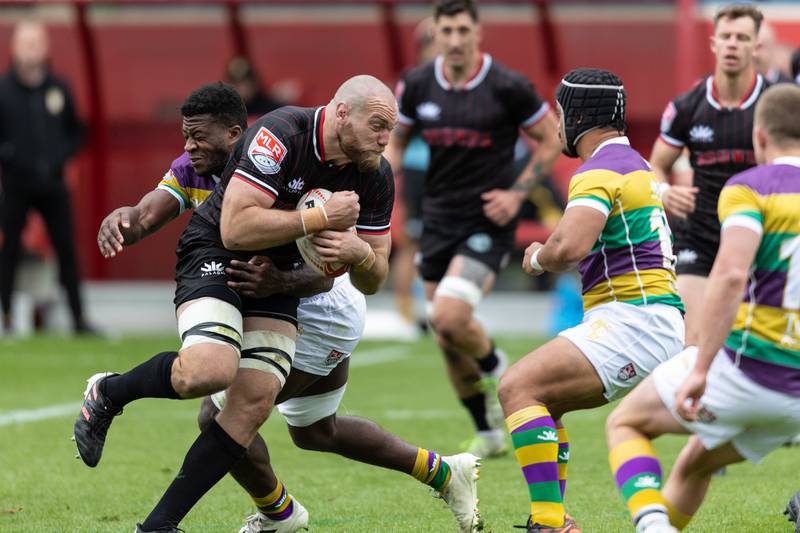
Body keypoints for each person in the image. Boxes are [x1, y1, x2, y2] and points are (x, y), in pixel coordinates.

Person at [73, 75, 456, 532]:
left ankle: (160, 525)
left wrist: (357, 255)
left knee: (254, 404)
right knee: (210, 374)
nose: (385, 139)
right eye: (377, 125)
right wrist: (130, 219)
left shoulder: (374, 174)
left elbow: (374, 275)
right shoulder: (279, 135)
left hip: (281, 279)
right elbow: (231, 230)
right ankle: (109, 391)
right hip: (218, 254)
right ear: (339, 113)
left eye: (390, 129)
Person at [605, 83, 800, 533]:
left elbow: (731, 275)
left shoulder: (749, 188)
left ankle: (651, 525)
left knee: (626, 424)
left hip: (750, 368)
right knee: (696, 462)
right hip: (794, 396)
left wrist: (702, 368)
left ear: (761, 138)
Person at [498, 68, 685, 532]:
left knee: (516, 387)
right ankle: (551, 518)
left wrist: (540, 258)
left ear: (579, 115)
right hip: (646, 317)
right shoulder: (632, 162)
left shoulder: (598, 170)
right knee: (544, 401)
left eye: (561, 113)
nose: (558, 125)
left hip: (634, 320)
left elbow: (570, 247)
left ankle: (551, 521)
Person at [385, 0, 561, 459]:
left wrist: (518, 195)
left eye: (464, 30)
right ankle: (486, 432)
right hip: (439, 221)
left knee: (446, 316)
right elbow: (397, 143)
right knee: (447, 340)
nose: (457, 39)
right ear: (436, 35)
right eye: (448, 31)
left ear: (478, 33)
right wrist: (377, 182)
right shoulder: (418, 84)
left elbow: (551, 137)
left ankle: (495, 363)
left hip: (487, 220)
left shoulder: (507, 86)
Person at [651, 3, 768, 346]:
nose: (733, 44)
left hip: (759, 236)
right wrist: (663, 190)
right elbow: (657, 163)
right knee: (691, 342)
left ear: (756, 46)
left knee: (752, 344)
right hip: (700, 235)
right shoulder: (687, 107)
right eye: (727, 37)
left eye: (742, 38)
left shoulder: (777, 103)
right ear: (714, 43)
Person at [0, 20, 91, 334]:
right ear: (14, 48)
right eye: (26, 44)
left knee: (66, 247)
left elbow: (76, 132)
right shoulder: (4, 90)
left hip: (52, 182)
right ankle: (7, 318)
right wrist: (11, 156)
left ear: (46, 48)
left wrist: (59, 158)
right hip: (15, 183)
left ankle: (79, 319)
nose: (32, 50)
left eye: (37, 43)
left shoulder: (58, 88)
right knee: (8, 248)